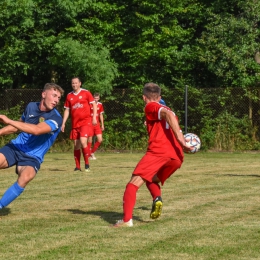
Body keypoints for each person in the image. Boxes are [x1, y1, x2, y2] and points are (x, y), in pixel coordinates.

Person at [114, 82, 192, 227]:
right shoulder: (168, 108)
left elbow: (166, 115)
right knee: (151, 179)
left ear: (144, 97)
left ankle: (126, 221)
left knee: (133, 183)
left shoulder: (150, 106)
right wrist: (183, 144)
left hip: (159, 152)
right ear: (160, 96)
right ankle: (157, 198)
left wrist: (181, 141)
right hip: (176, 157)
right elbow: (168, 118)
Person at [0, 83, 64, 209]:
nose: (56, 100)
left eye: (59, 98)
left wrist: (8, 120)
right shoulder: (31, 106)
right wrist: (1, 132)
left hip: (33, 156)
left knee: (26, 177)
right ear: (44, 94)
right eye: (54, 95)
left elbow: (36, 130)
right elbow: (18, 125)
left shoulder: (56, 118)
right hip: (17, 146)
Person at [61, 77, 97, 172]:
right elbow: (67, 110)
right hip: (75, 124)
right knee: (76, 145)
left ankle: (87, 164)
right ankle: (77, 167)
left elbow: (93, 104)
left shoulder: (86, 93)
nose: (74, 85)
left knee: (83, 141)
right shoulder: (69, 96)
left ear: (80, 83)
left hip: (85, 122)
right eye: (73, 83)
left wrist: (93, 118)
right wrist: (63, 123)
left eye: (76, 83)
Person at [88, 93, 104, 160]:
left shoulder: (100, 105)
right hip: (90, 123)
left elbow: (100, 115)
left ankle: (91, 152)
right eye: (95, 98)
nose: (96, 99)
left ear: (99, 98)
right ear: (93, 98)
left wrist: (102, 124)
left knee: (100, 139)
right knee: (90, 139)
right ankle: (88, 155)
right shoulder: (90, 104)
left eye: (97, 98)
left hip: (97, 124)